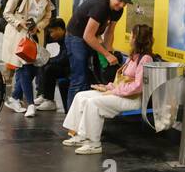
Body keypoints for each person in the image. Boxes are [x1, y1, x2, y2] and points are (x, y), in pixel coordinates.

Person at [61, 23, 153, 154]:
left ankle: (94, 143)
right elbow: (121, 81)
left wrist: (113, 91)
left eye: (132, 36)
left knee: (93, 103)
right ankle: (80, 135)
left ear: (137, 39)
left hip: (132, 99)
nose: (130, 39)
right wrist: (106, 87)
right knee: (81, 96)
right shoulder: (133, 57)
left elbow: (138, 86)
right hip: (120, 94)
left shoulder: (145, 59)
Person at [64, 0, 133, 112]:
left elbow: (109, 32)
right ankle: (71, 117)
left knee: (91, 76)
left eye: (125, 3)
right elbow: (87, 36)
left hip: (91, 37)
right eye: (120, 1)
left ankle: (84, 112)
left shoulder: (118, 10)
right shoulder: (100, 6)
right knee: (79, 78)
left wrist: (109, 52)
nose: (122, 5)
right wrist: (106, 55)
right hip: (76, 37)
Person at [1, 0, 53, 118]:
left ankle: (15, 97)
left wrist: (39, 26)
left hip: (36, 36)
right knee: (24, 68)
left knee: (33, 69)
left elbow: (48, 15)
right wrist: (19, 23)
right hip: (19, 36)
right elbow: (7, 13)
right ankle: (30, 104)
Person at [33, 17, 70, 111]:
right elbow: (61, 56)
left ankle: (49, 100)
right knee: (44, 65)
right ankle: (44, 95)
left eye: (52, 32)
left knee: (49, 69)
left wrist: (49, 61)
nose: (51, 35)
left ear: (59, 29)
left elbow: (65, 59)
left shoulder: (68, 38)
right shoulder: (62, 38)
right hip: (66, 65)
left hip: (71, 68)